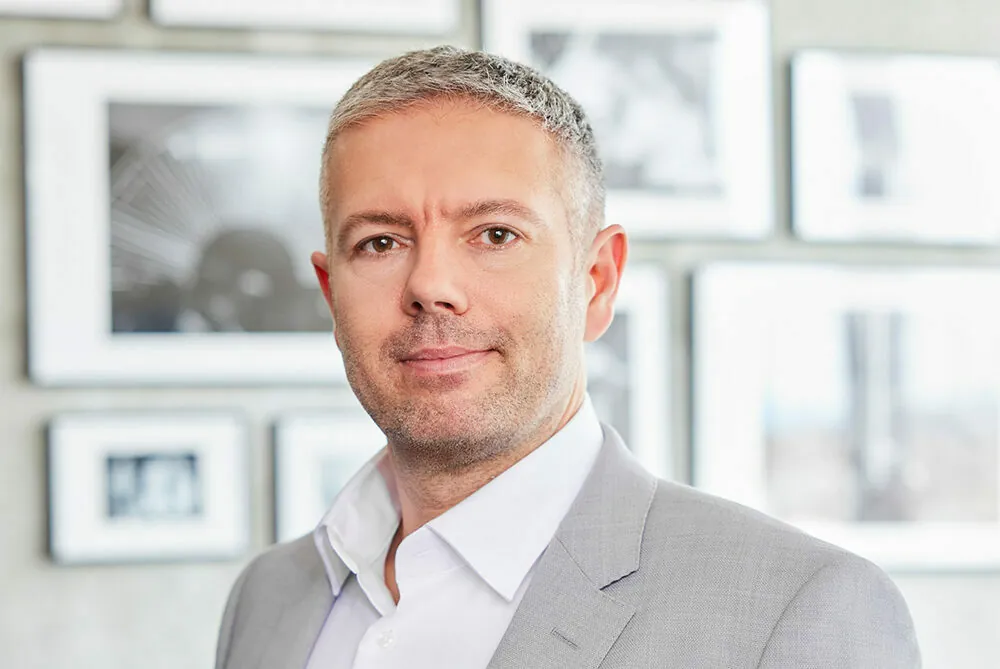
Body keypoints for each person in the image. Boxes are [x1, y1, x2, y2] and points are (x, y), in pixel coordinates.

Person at [214, 46, 921, 668]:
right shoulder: (269, 597)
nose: (430, 286)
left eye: (494, 234)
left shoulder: (800, 611)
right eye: (380, 241)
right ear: (331, 293)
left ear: (597, 281)